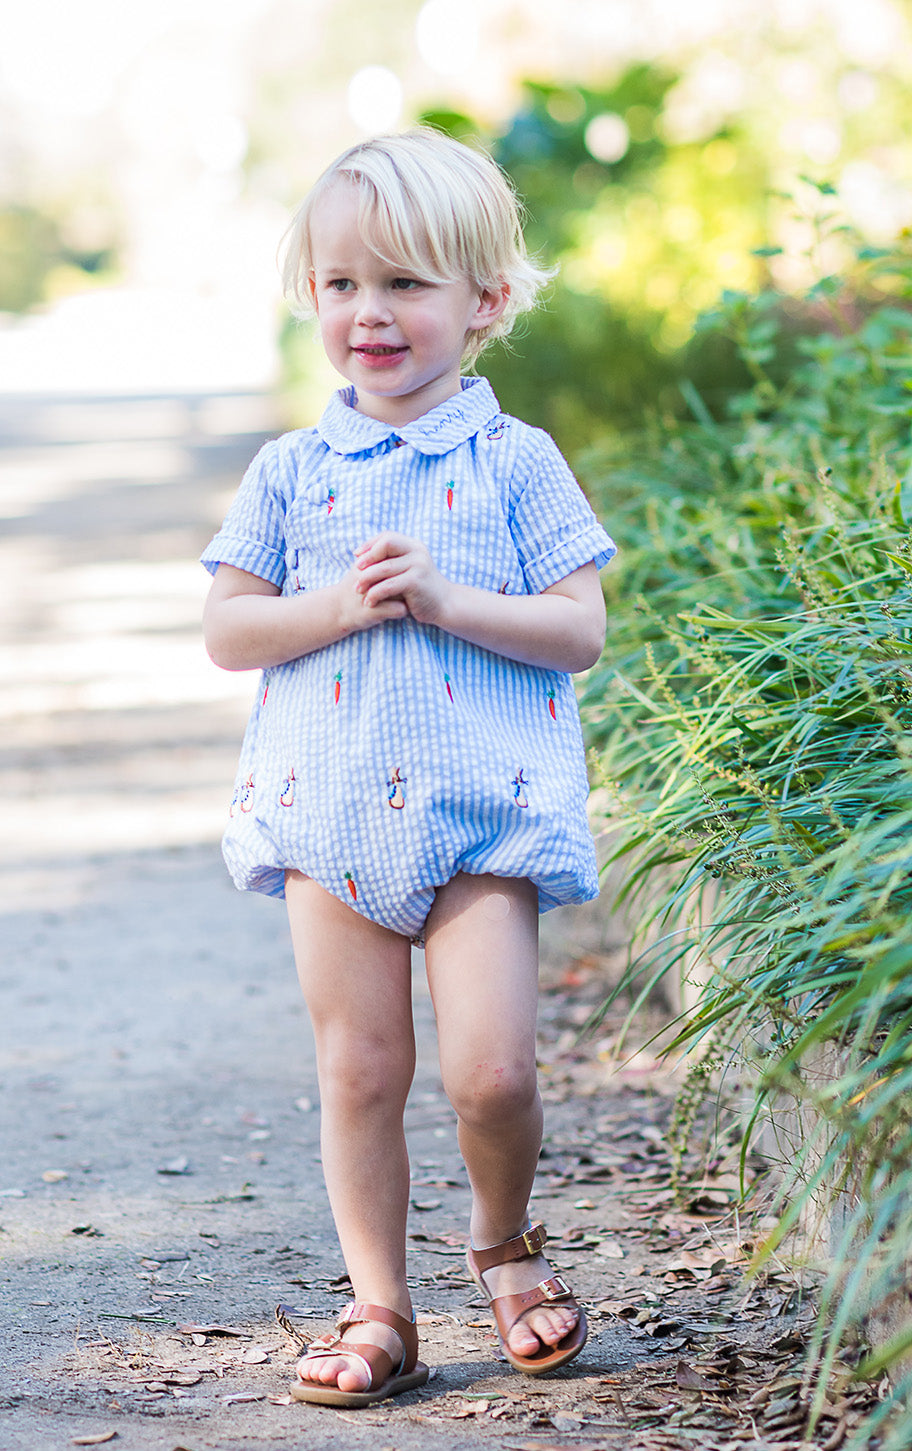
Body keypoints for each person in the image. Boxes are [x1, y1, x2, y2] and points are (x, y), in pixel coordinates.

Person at [201, 127, 615, 1408]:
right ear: (311, 298)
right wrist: (339, 604)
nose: (368, 314)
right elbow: (229, 628)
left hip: (482, 808)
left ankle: (503, 1240)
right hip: (327, 810)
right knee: (360, 1066)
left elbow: (579, 626)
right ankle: (380, 1300)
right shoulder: (289, 471)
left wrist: (446, 595)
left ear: (485, 301)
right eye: (341, 285)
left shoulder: (515, 460)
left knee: (493, 1068)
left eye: (405, 284)